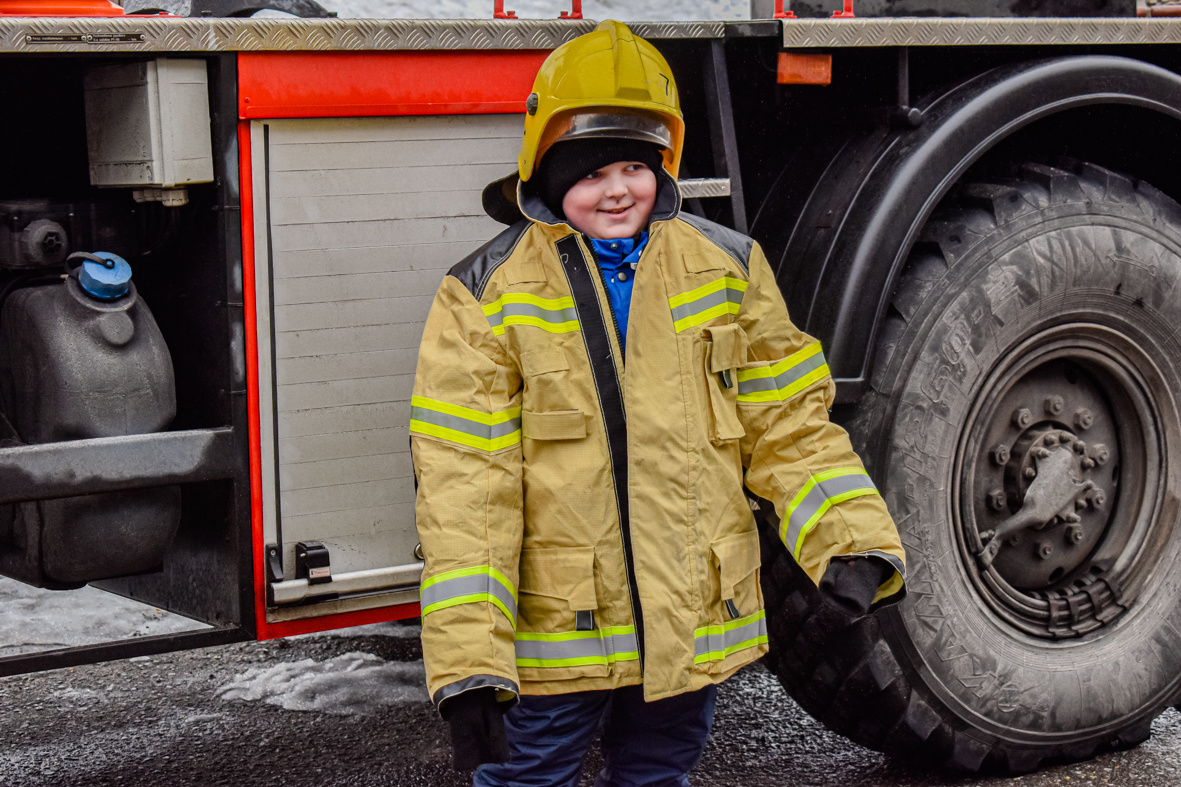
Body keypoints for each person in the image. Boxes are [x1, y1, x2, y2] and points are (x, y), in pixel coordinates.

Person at [409, 20, 907, 786]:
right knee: (527, 775)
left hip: (687, 622)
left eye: (635, 166)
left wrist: (847, 538)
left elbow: (786, 423)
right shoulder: (485, 292)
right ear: (542, 168)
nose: (616, 189)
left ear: (665, 163)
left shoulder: (725, 267)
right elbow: (465, 488)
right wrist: (470, 665)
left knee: (658, 771)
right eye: (589, 169)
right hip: (559, 635)